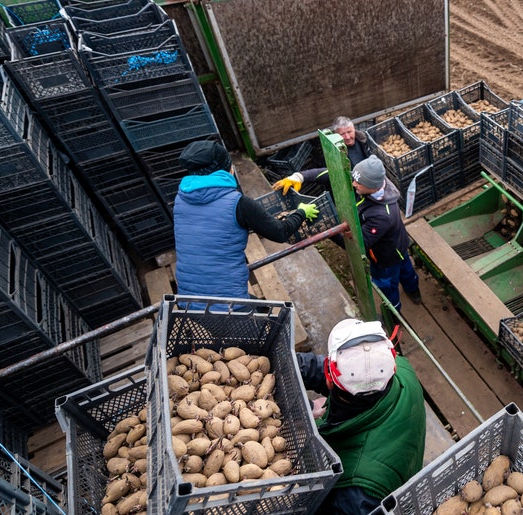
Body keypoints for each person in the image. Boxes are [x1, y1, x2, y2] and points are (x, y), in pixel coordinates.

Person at [296, 318, 425, 514]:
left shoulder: (356, 494)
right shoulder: (400, 369)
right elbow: (325, 371)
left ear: (330, 382)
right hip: (400, 450)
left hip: (374, 482)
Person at [173, 139, 319, 305]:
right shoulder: (240, 204)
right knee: (267, 326)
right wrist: (302, 212)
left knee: (261, 309)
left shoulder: (180, 199)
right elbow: (280, 232)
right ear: (229, 169)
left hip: (187, 299)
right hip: (227, 305)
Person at [280, 154, 422, 308]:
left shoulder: (383, 215)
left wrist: (327, 228)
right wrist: (299, 176)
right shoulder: (365, 181)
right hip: (397, 239)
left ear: (373, 187)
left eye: (358, 183)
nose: (353, 184)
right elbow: (328, 174)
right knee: (406, 269)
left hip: (385, 258)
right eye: (354, 179)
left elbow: (358, 244)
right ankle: (412, 287)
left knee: (388, 284)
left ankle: (396, 307)